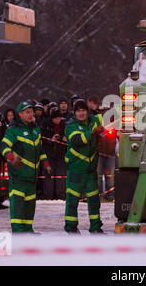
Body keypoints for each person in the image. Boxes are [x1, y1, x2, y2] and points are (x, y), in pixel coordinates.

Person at [0, 101, 52, 233]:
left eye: (31, 112)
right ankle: (17, 231)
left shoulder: (36, 130)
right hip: (18, 175)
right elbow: (3, 146)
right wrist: (12, 158)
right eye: (27, 112)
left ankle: (28, 230)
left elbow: (40, 150)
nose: (30, 114)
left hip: (31, 176)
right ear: (20, 114)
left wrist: (46, 165)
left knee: (29, 205)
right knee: (18, 204)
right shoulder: (13, 130)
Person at [64, 99, 104, 234]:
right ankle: (71, 227)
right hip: (76, 169)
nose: (81, 113)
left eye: (83, 110)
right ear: (74, 113)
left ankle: (95, 226)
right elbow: (78, 140)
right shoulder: (70, 125)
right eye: (78, 111)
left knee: (94, 200)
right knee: (72, 200)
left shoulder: (95, 120)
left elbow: (110, 118)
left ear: (87, 111)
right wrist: (92, 132)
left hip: (91, 170)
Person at [40, 108, 67, 200]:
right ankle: (48, 196)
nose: (57, 120)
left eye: (59, 118)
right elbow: (42, 138)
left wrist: (65, 138)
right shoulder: (45, 124)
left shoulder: (64, 125)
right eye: (55, 118)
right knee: (48, 175)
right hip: (49, 154)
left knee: (61, 176)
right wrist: (51, 139)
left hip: (61, 154)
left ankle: (61, 196)